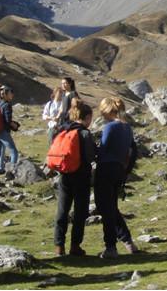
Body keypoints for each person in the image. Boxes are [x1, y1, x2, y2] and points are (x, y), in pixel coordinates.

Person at [94, 97, 138, 259]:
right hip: (119, 170)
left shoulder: (109, 127)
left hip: (105, 169)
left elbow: (103, 150)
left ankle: (111, 247)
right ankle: (128, 241)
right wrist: (126, 171)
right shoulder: (127, 128)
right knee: (111, 207)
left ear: (107, 111)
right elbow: (132, 150)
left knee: (105, 208)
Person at [52, 99, 96, 257]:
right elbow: (90, 155)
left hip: (64, 175)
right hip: (81, 176)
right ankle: (75, 246)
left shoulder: (63, 129)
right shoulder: (84, 133)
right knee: (80, 211)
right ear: (87, 117)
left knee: (62, 210)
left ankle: (59, 246)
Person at [0, 85, 20, 174]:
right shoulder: (7, 105)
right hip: (3, 131)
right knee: (14, 151)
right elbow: (7, 120)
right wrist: (15, 125)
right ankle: (12, 171)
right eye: (10, 93)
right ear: (6, 94)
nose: (12, 95)